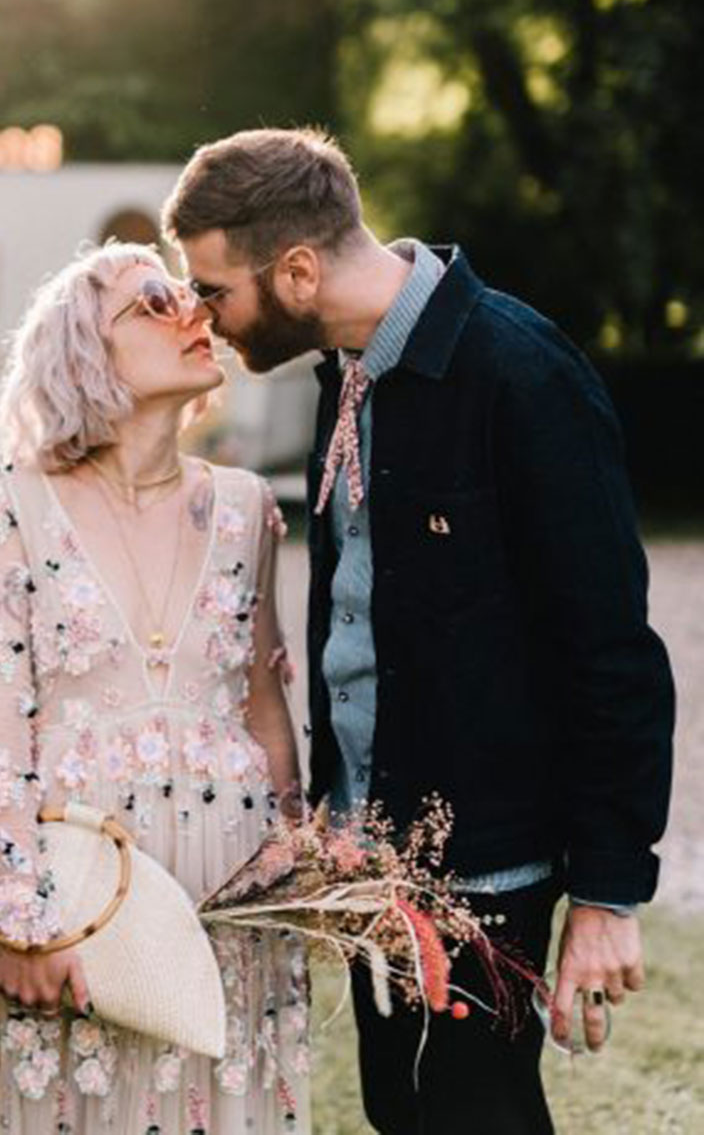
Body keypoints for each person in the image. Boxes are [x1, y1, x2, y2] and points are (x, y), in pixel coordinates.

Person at [163, 127, 676, 1135]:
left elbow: (611, 651)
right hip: (366, 853)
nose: (202, 316)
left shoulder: (521, 374)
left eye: (215, 290)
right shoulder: (345, 374)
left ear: (299, 269)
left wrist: (609, 894)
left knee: (474, 1110)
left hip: (488, 857)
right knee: (400, 1107)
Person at [0, 241, 310, 1135]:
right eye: (153, 300)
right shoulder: (10, 503)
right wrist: (21, 918)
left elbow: (265, 706)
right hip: (73, 908)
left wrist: (297, 863)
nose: (194, 311)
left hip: (229, 906)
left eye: (190, 293)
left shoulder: (247, 506)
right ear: (83, 349)